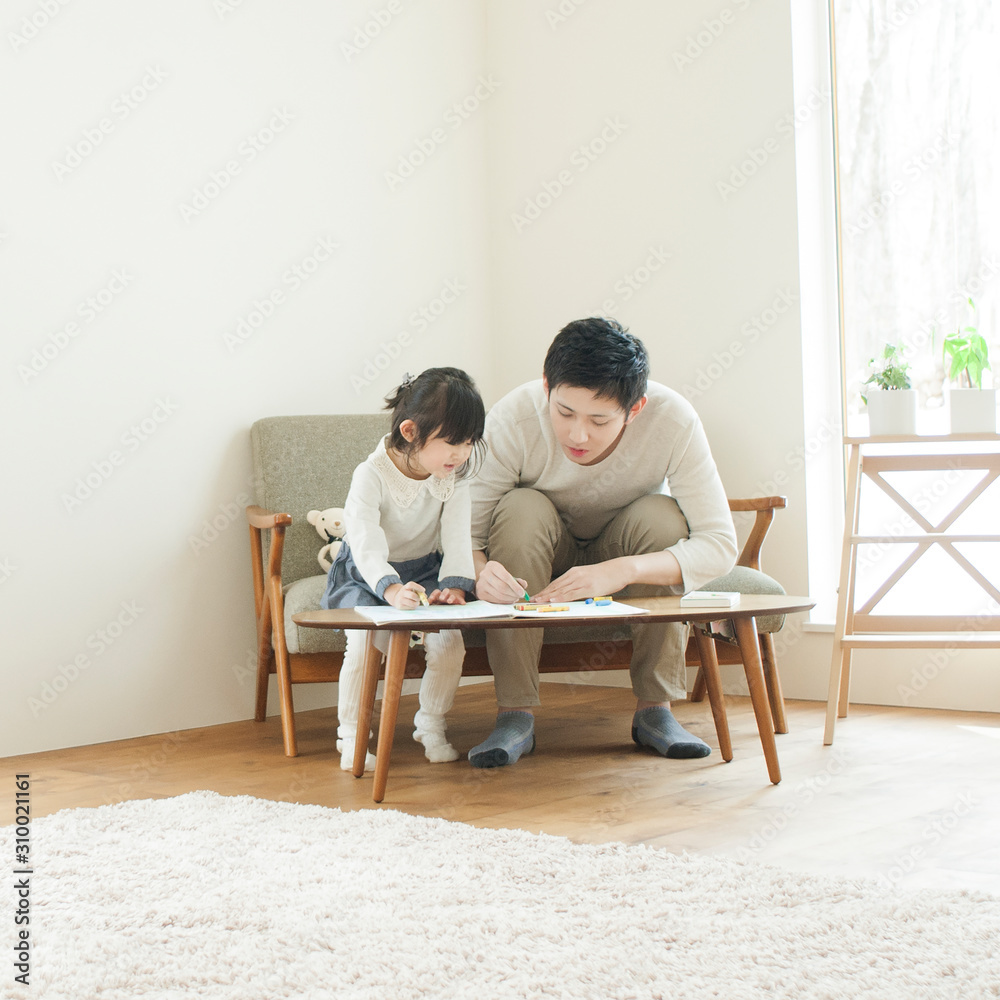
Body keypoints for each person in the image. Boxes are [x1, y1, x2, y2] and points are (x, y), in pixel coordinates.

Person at [469, 317, 737, 768]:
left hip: (621, 551)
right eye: (564, 413)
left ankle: (655, 710)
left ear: (635, 409)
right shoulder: (512, 418)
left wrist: (622, 570)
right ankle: (514, 714)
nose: (578, 435)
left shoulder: (673, 419)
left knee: (661, 516)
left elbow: (720, 544)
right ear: (547, 386)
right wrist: (481, 573)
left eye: (599, 420)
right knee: (520, 507)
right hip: (538, 558)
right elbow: (466, 535)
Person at [321, 367, 485, 772]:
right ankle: (351, 736)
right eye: (453, 442)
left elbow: (457, 536)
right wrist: (391, 589)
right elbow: (365, 541)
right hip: (367, 573)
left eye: (469, 442)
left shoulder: (454, 476)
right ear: (410, 431)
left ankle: (430, 724)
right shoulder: (370, 474)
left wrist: (454, 586)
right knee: (365, 644)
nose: (461, 454)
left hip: (425, 570)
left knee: (450, 643)